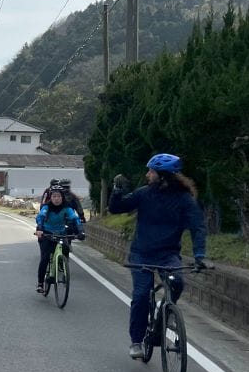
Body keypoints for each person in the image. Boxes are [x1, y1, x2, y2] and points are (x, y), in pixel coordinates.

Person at [107, 153, 207, 359]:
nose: (147, 174)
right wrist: (117, 191)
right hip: (141, 253)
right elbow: (116, 208)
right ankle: (136, 341)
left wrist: (199, 255)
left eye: (151, 171)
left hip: (168, 254)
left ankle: (163, 315)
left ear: (163, 176)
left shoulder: (184, 200)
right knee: (142, 295)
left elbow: (198, 227)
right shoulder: (144, 194)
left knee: (177, 282)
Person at [35, 185, 85, 293]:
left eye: (58, 196)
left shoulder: (67, 208)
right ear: (51, 197)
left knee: (66, 249)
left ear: (62, 197)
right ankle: (40, 283)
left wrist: (81, 230)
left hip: (61, 233)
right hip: (46, 233)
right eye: (54, 196)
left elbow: (75, 218)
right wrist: (39, 228)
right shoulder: (46, 207)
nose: (56, 199)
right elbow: (41, 217)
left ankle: (62, 265)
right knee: (45, 258)